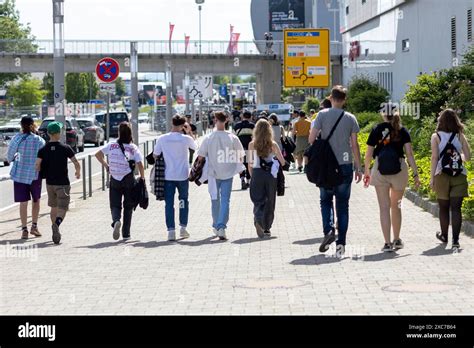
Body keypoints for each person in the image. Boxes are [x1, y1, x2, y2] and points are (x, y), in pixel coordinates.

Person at [308, 86, 362, 255]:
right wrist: (358, 167)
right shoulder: (350, 118)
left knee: (325, 200)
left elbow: (311, 139)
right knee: (343, 205)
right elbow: (354, 145)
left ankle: (328, 231)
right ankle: (341, 244)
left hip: (325, 166)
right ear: (344, 100)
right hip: (345, 165)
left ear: (331, 98)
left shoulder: (321, 115)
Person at [363, 110, 420, 252]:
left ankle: (387, 243)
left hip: (380, 168)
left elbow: (369, 153)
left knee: (384, 207)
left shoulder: (377, 129)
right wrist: (415, 173)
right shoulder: (402, 130)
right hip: (399, 170)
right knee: (397, 206)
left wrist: (367, 171)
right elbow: (409, 153)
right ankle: (397, 239)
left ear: (383, 114)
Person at [197, 111, 245, 240]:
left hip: (213, 173)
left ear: (215, 120)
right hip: (228, 172)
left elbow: (200, 156)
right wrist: (240, 169)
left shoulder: (208, 138)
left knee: (214, 198)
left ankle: (216, 225)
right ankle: (222, 226)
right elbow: (241, 155)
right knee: (225, 200)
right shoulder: (232, 137)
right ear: (226, 121)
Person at [95, 122, 145, 241]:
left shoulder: (112, 145)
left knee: (114, 204)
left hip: (115, 178)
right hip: (128, 178)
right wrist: (142, 177)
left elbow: (98, 155)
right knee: (128, 206)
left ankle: (116, 220)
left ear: (119, 132)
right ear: (130, 133)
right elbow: (140, 164)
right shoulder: (132, 148)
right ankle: (126, 234)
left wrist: (107, 166)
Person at [430, 109, 471, 251]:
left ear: (440, 121)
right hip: (459, 175)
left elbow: (435, 158)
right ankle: (455, 241)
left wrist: (432, 178)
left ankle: (444, 236)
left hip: (441, 175)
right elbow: (468, 156)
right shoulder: (460, 136)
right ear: (456, 120)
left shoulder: (436, 137)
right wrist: (457, 158)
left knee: (443, 207)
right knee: (456, 208)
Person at [36, 122, 81, 245]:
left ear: (49, 134)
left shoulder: (43, 149)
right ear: (58, 133)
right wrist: (78, 172)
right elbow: (76, 162)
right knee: (63, 208)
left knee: (53, 207)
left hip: (50, 184)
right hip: (63, 183)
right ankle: (57, 224)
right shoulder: (65, 147)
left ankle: (54, 228)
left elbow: (37, 165)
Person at [154, 115, 197, 241]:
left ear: (171, 123)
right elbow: (196, 148)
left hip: (168, 176)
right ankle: (183, 228)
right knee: (183, 201)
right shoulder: (186, 139)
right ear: (183, 124)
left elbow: (155, 155)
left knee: (169, 204)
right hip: (183, 175)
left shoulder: (162, 138)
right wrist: (189, 132)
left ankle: (171, 231)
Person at [7, 116, 45, 239]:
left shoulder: (16, 139)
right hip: (35, 174)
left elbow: (9, 157)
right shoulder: (39, 140)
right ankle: (34, 226)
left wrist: (17, 158)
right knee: (36, 201)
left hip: (19, 175)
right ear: (33, 125)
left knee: (23, 203)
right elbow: (43, 158)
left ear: (21, 125)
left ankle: (24, 230)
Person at [248, 119, 286, 238]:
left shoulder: (251, 144)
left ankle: (258, 220)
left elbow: (250, 163)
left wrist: (252, 176)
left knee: (258, 199)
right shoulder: (273, 144)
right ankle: (267, 228)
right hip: (270, 175)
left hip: (257, 173)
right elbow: (283, 162)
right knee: (270, 201)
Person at [233, 110, 255, 190]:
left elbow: (233, 138)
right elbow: (254, 138)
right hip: (250, 148)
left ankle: (242, 179)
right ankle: (248, 182)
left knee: (241, 165)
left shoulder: (237, 126)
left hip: (239, 148)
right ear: (250, 117)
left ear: (243, 117)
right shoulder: (252, 126)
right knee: (249, 164)